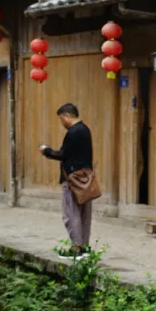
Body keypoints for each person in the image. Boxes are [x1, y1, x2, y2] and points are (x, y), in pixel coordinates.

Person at [40, 103, 93, 258]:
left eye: (61, 119)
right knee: (84, 213)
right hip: (86, 177)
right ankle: (84, 246)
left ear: (66, 116)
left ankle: (76, 249)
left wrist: (46, 151)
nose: (62, 122)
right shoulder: (85, 130)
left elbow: (62, 154)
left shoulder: (73, 132)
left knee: (71, 213)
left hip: (72, 178)